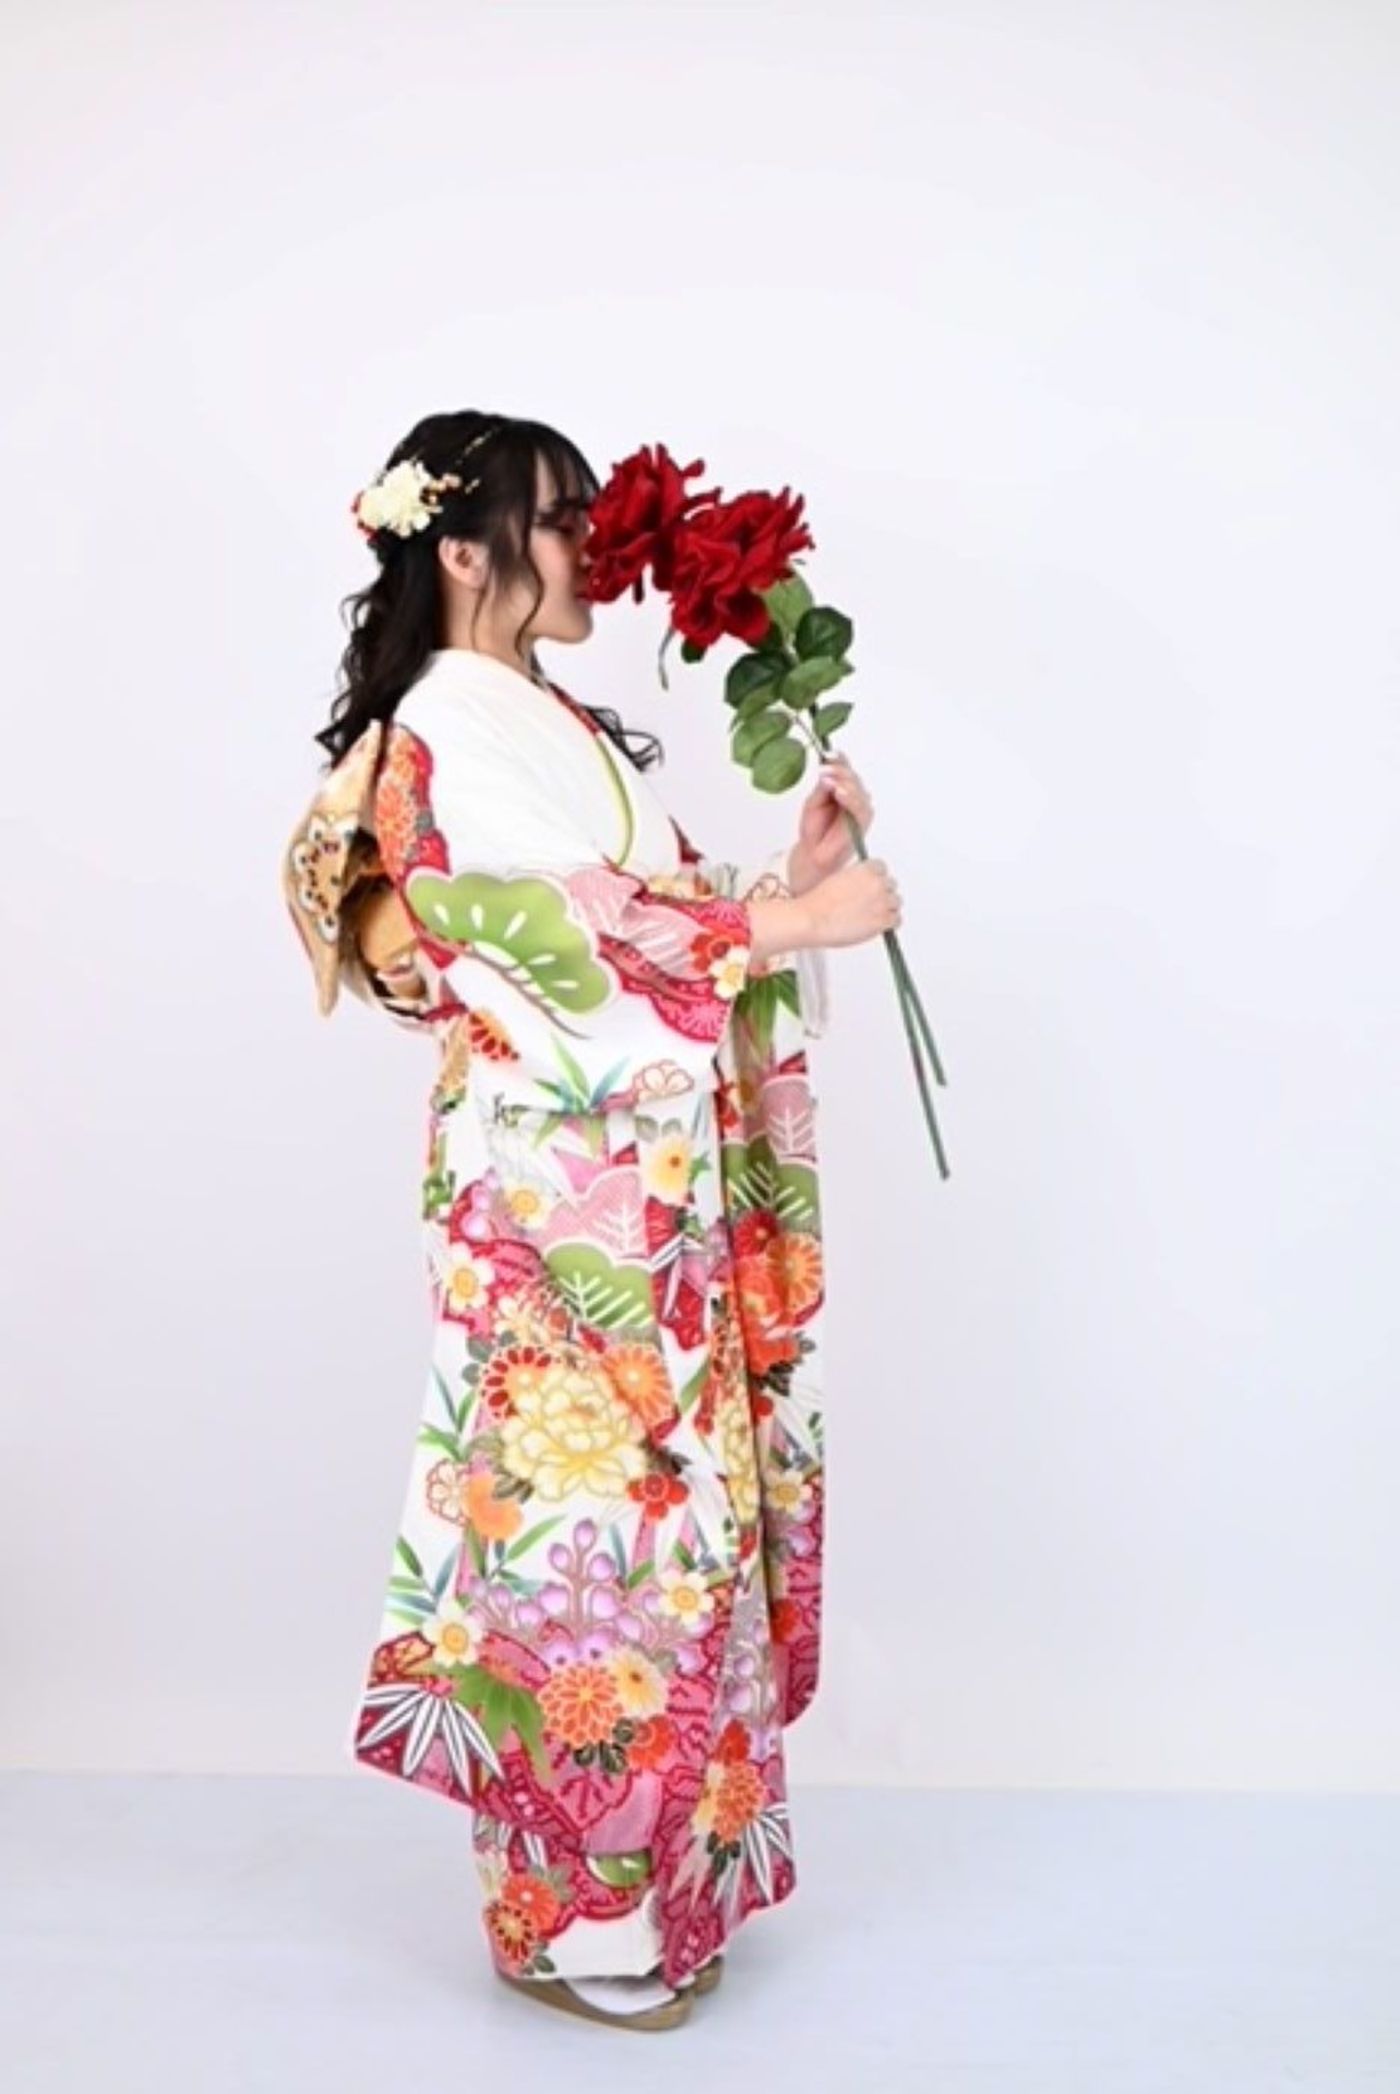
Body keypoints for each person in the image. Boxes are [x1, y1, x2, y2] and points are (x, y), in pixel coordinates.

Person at [281, 410, 900, 2030]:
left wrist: (786, 876)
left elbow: (651, 904)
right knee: (588, 1550)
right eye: (558, 523)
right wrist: (796, 925)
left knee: (669, 1545)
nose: (590, 555)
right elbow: (559, 938)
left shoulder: (539, 717)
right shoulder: (443, 725)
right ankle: (579, 1928)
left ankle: (650, 1898)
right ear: (460, 551)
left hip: (627, 1192)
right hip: (555, 1207)